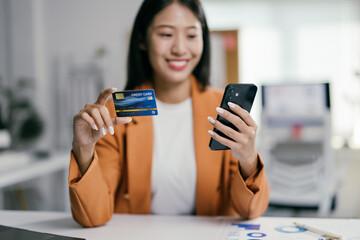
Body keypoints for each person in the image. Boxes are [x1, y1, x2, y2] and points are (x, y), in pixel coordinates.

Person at [69, 0, 269, 227]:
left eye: (192, 36)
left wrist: (248, 158)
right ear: (143, 39)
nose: (180, 48)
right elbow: (91, 217)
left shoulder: (223, 109)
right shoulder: (117, 112)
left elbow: (250, 211)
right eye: (166, 34)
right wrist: (83, 149)